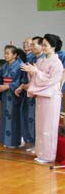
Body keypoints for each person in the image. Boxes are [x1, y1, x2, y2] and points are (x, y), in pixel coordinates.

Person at [21, 34, 63, 163]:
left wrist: (36, 72)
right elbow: (35, 79)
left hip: (51, 97)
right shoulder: (41, 61)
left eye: (45, 45)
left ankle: (49, 155)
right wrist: (31, 71)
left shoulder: (57, 63)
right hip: (41, 95)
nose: (43, 47)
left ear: (53, 47)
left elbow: (51, 81)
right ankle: (41, 153)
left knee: (48, 126)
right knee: (40, 125)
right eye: (43, 45)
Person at [15, 36, 45, 153]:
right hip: (31, 93)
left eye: (33, 45)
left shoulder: (44, 60)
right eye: (30, 44)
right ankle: (33, 142)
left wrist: (25, 85)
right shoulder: (32, 58)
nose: (31, 47)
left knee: (39, 119)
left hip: (40, 94)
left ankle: (40, 144)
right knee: (30, 118)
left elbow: (41, 78)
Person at [0, 45, 22, 148]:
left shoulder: (20, 66)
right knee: (5, 116)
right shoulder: (5, 65)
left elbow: (20, 81)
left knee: (13, 117)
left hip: (14, 94)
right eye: (5, 53)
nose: (5, 55)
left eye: (8, 53)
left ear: (15, 55)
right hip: (5, 94)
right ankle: (6, 140)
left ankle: (14, 142)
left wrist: (8, 86)